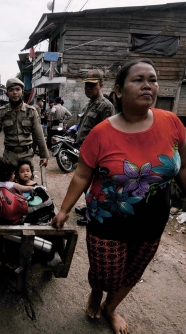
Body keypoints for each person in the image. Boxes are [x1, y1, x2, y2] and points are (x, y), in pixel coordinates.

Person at [51, 59, 186, 334]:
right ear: (119, 91)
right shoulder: (101, 133)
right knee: (105, 273)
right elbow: (82, 176)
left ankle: (111, 308)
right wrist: (64, 210)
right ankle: (96, 292)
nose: (148, 85)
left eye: (153, 79)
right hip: (107, 219)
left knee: (133, 272)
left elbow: (185, 167)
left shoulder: (171, 123)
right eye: (138, 79)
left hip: (151, 221)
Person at [74, 69, 116, 226]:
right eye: (86, 86)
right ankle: (87, 207)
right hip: (85, 152)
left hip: (96, 155)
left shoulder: (105, 106)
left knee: (93, 185)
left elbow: (108, 134)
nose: (88, 89)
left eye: (92, 85)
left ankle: (91, 214)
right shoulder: (89, 104)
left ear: (101, 85)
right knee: (85, 183)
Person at [0, 78, 49, 172]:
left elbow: (39, 134)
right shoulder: (1, 112)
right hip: (9, 156)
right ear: (6, 93)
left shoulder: (31, 111)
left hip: (27, 156)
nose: (14, 92)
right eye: (11, 90)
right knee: (8, 185)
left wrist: (44, 155)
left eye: (18, 89)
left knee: (26, 184)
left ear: (22, 92)